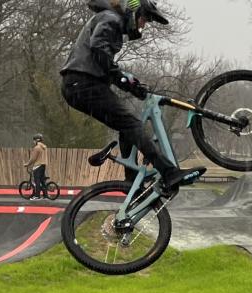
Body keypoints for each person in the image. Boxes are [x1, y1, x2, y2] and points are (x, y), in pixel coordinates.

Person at [61, 0, 205, 195]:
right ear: (134, 12)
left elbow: (103, 59)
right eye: (144, 20)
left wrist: (130, 84)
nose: (143, 25)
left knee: (126, 125)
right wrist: (122, 78)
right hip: (83, 84)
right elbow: (98, 49)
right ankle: (168, 172)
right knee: (131, 124)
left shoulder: (109, 19)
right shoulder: (111, 18)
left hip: (81, 85)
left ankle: (131, 182)